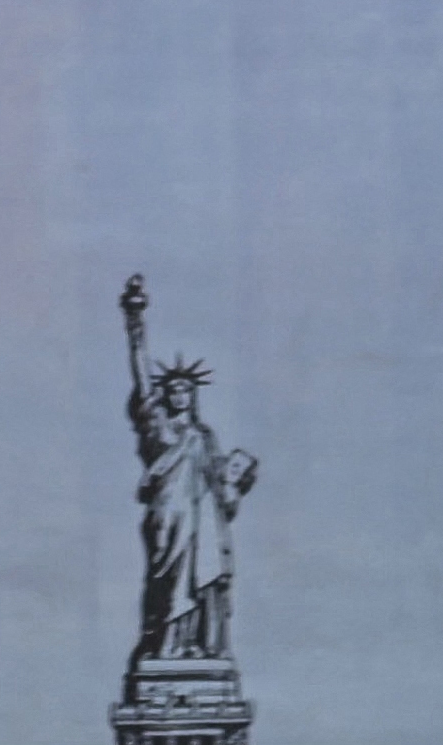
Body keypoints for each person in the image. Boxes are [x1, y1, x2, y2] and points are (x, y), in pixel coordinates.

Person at [121, 274, 259, 663]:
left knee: (200, 576)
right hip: (168, 515)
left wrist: (237, 481)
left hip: (200, 520)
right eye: (174, 389)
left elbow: (224, 489)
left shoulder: (204, 437)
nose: (180, 394)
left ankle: (193, 644)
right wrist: (135, 324)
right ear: (165, 395)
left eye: (186, 389)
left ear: (193, 395)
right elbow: (141, 377)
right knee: (166, 578)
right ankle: (165, 645)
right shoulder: (157, 427)